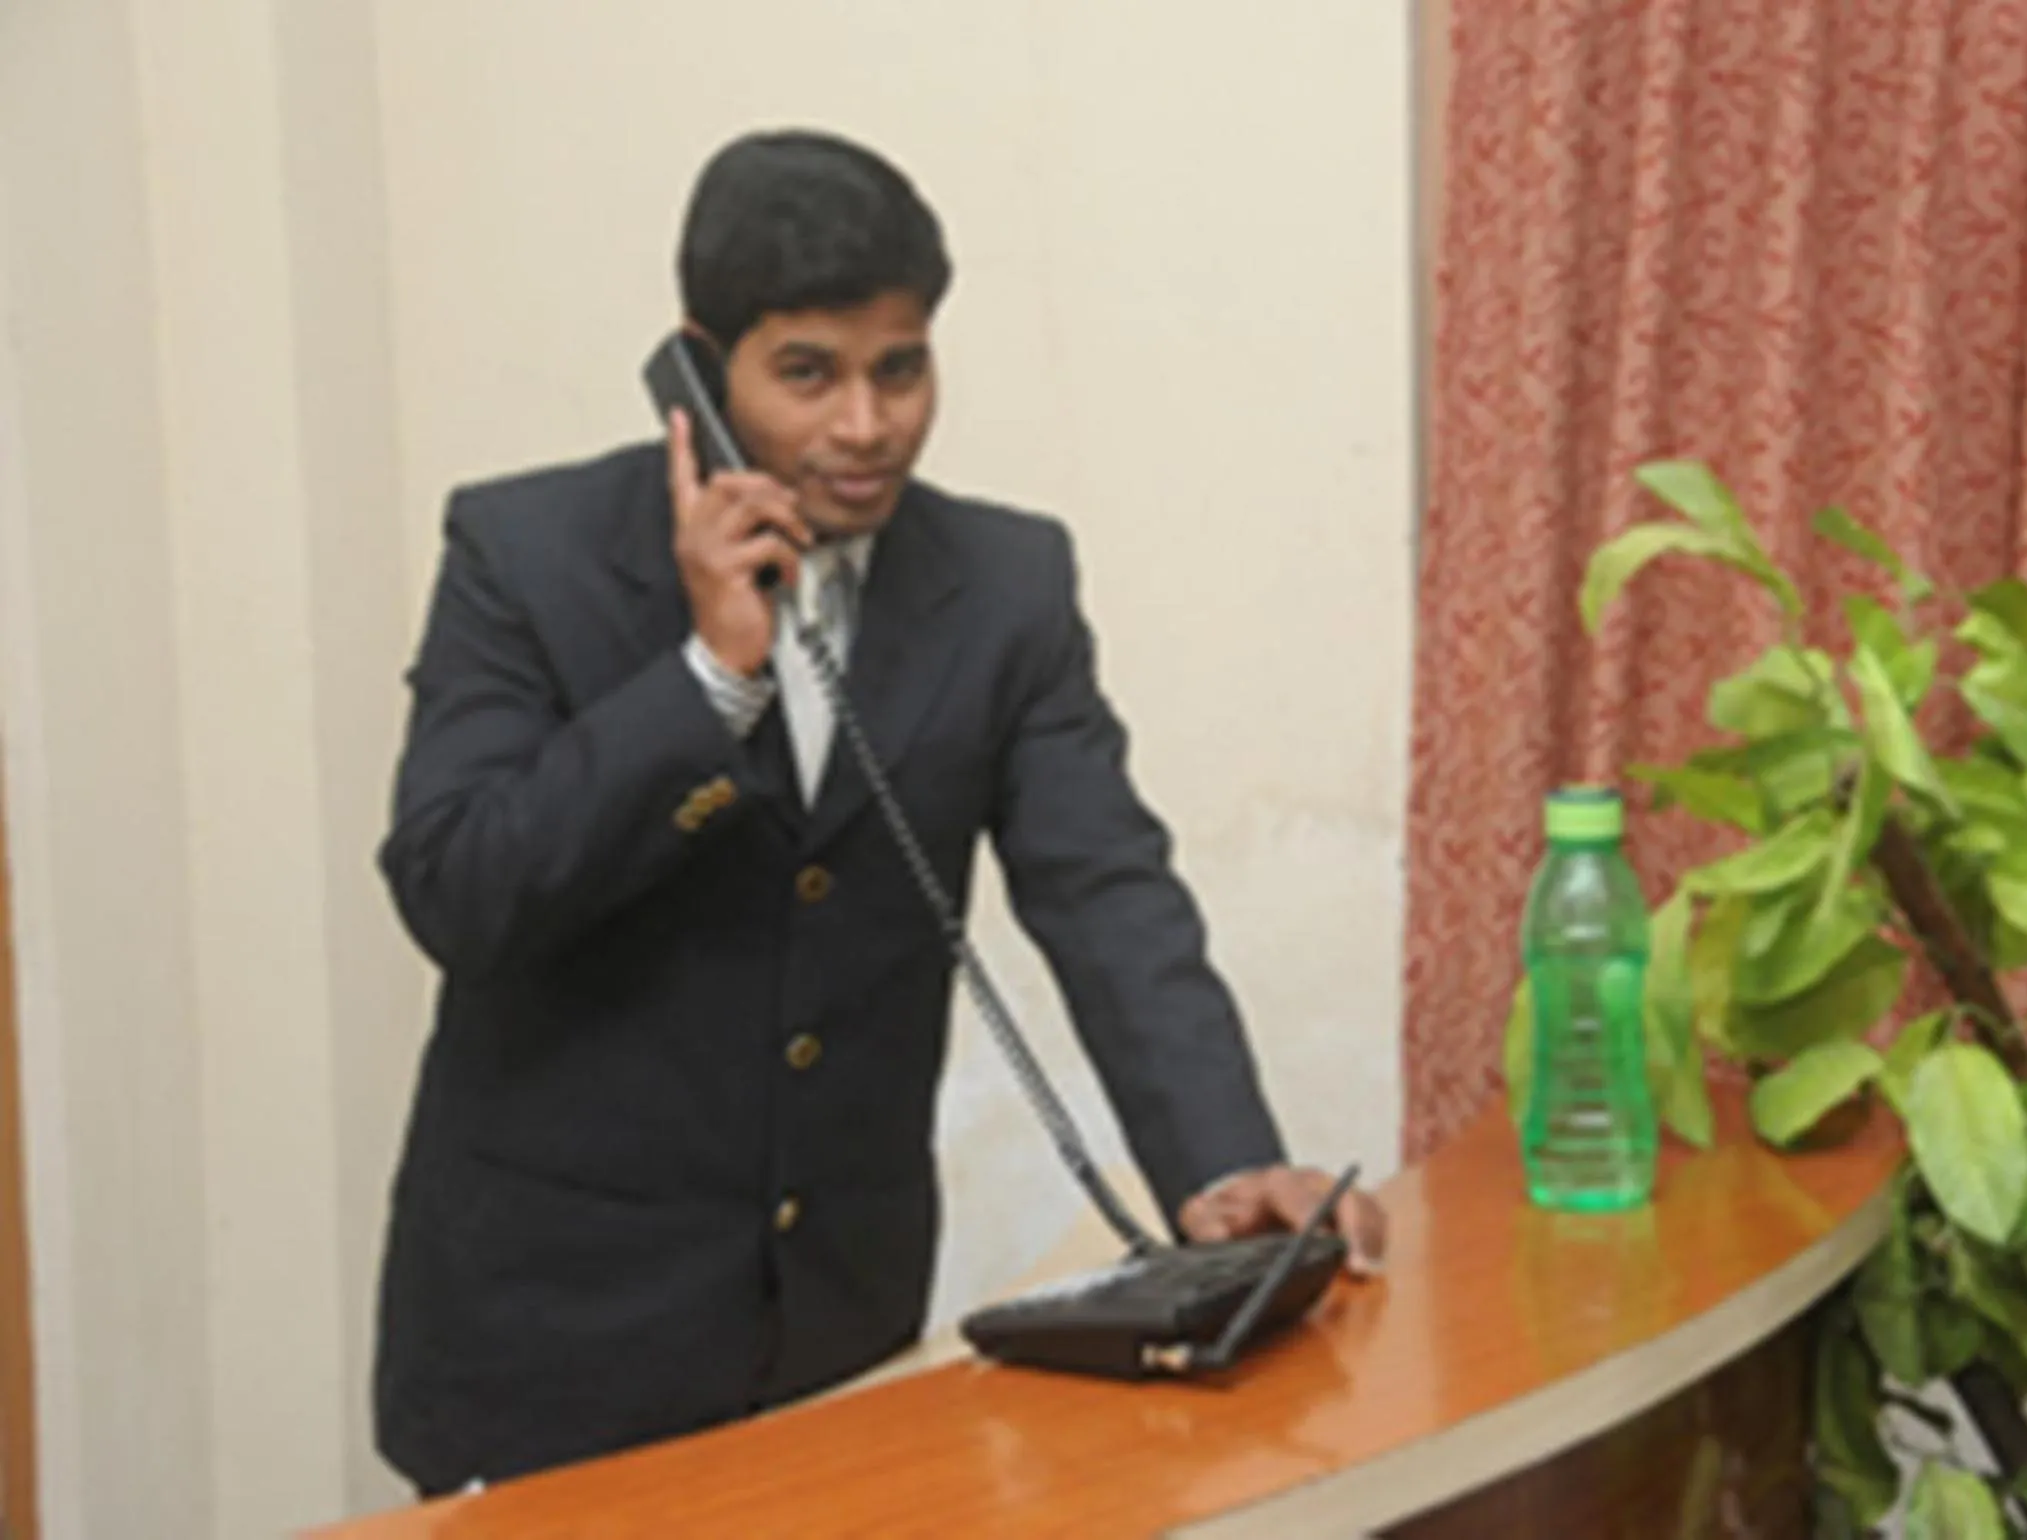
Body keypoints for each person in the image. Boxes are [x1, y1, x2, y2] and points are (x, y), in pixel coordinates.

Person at [372, 127, 1386, 1495]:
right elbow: (460, 890)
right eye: (808, 373)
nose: (865, 426)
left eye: (899, 368)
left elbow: (1106, 891)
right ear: (698, 369)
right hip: (556, 1347)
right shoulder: (521, 555)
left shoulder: (1005, 585)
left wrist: (1224, 1169)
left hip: (836, 1338)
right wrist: (706, 678)